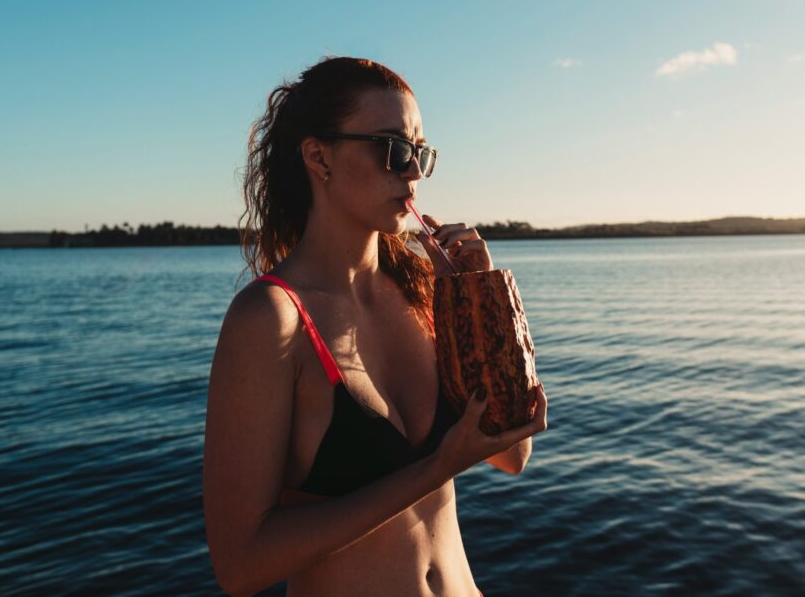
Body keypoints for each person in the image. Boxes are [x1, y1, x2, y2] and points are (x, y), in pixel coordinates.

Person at [203, 56, 548, 596]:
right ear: (319, 157)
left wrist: (482, 304)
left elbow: (512, 451)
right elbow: (241, 565)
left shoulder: (424, 294)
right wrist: (435, 470)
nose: (411, 171)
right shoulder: (271, 318)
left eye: (421, 153)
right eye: (392, 148)